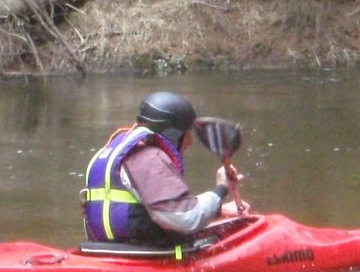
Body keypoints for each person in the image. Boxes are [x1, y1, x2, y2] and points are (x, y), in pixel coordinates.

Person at [81, 91, 243, 250]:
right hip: (147, 255)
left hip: (107, 249)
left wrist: (218, 208)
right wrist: (221, 189)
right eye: (187, 133)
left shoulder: (117, 150)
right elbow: (187, 219)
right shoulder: (150, 158)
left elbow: (162, 207)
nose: (190, 141)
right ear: (174, 134)